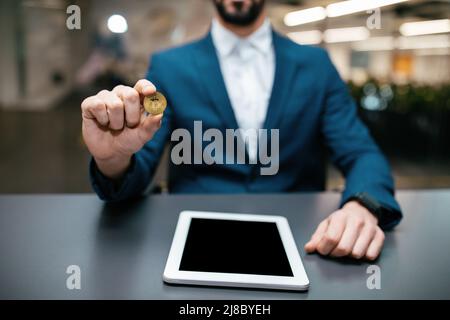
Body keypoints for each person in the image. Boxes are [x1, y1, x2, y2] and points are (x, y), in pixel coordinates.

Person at [81, 0, 402, 261]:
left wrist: (362, 204)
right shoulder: (170, 66)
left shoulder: (316, 65)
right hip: (193, 241)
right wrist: (114, 158)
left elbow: (361, 154)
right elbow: (142, 160)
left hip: (304, 241)